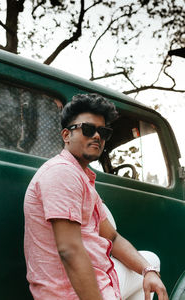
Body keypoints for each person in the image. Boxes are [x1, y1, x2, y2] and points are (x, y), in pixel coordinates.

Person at [24, 93, 168, 300]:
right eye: (88, 129)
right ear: (66, 135)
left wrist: (148, 271)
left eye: (103, 131)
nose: (97, 136)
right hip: (69, 293)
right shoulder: (62, 172)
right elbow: (70, 251)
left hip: (99, 277)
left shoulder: (81, 178)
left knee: (150, 261)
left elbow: (113, 237)